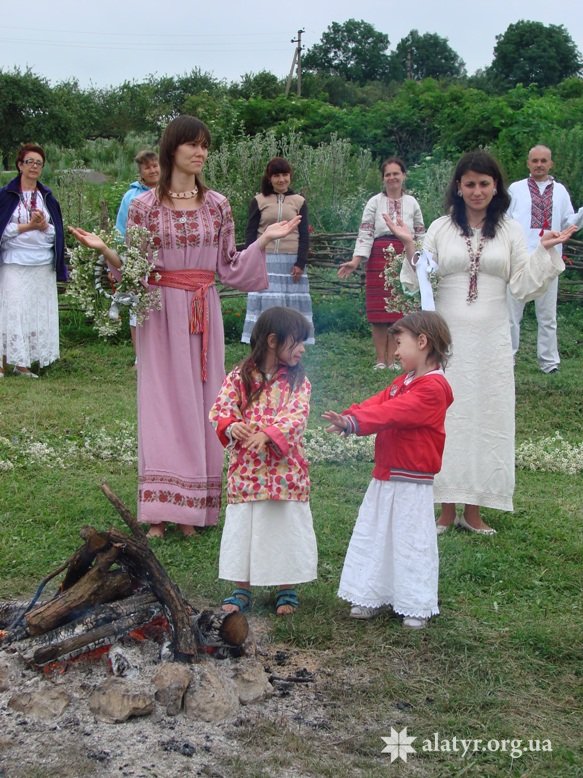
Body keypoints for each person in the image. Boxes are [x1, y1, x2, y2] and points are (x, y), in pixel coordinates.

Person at [69, 115, 301, 539]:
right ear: (171, 148)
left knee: (205, 402)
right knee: (161, 403)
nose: (200, 152)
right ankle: (160, 510)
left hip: (203, 312)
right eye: (193, 144)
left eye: (205, 146)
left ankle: (194, 508)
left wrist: (265, 240)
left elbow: (229, 266)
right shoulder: (143, 207)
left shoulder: (218, 205)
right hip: (159, 313)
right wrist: (106, 251)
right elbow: (136, 271)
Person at [390, 151, 576, 535]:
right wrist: (409, 245)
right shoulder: (441, 227)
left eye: (484, 184)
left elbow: (522, 284)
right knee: (445, 416)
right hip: (446, 339)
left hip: (492, 338)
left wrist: (545, 250)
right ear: (459, 187)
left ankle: (473, 509)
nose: (477, 191)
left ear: (496, 187)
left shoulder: (510, 230)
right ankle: (445, 508)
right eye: (470, 184)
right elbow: (419, 276)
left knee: (485, 417)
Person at [323, 311, 453, 629]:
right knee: (377, 536)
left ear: (422, 342)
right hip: (386, 474)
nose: (394, 352)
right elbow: (378, 402)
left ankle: (415, 603)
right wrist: (349, 416)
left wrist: (355, 423)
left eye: (399, 343)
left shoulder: (433, 388)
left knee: (410, 543)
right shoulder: (403, 382)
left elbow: (394, 412)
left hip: (411, 480)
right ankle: (370, 594)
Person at [209, 307, 317, 616]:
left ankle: (286, 587)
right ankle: (241, 588)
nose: (302, 349)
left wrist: (269, 434)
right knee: (245, 528)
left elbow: (297, 415)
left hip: (286, 472)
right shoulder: (239, 376)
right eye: (296, 342)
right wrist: (233, 426)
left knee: (284, 526)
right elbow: (220, 410)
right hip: (248, 472)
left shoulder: (298, 381)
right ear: (272, 341)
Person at [337, 157, 425, 370]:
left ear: (404, 176)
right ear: (383, 178)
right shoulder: (374, 202)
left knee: (399, 311)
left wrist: (420, 261)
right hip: (379, 256)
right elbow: (366, 231)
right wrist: (356, 260)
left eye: (396, 173)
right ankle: (380, 360)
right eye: (388, 174)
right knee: (378, 312)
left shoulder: (412, 202)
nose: (392, 178)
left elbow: (420, 233)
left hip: (404, 256)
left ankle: (394, 360)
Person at [507, 144, 583, 373]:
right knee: (511, 315)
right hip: (519, 259)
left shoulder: (560, 191)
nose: (539, 165)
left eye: (543, 161)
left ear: (551, 164)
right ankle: (507, 360)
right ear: (528, 163)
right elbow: (504, 221)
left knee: (547, 316)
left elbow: (569, 222)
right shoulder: (515, 189)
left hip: (549, 258)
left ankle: (549, 363)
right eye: (535, 161)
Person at [0, 144, 66, 378]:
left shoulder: (47, 197)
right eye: (30, 162)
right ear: (20, 165)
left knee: (33, 311)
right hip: (14, 262)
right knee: (12, 309)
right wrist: (28, 226)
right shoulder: (6, 196)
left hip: (41, 264)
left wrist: (44, 226)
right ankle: (3, 362)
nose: (34, 166)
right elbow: (3, 230)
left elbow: (56, 235)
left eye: (39, 163)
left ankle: (23, 363)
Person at [241, 158, 314, 344]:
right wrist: (251, 259)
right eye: (276, 175)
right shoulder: (259, 200)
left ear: (290, 176)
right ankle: (266, 341)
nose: (281, 179)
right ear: (269, 178)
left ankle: (291, 342)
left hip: (291, 263)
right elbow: (251, 233)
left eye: (285, 175)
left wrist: (300, 263)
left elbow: (304, 235)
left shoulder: (299, 201)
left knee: (291, 304)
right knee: (268, 302)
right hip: (266, 260)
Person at [114, 150, 161, 361]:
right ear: (140, 172)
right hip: (139, 260)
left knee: (161, 309)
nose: (152, 170)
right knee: (138, 309)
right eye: (147, 167)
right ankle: (140, 358)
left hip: (164, 261)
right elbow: (120, 230)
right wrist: (120, 260)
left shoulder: (171, 191)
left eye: (155, 165)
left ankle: (161, 357)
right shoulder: (132, 196)